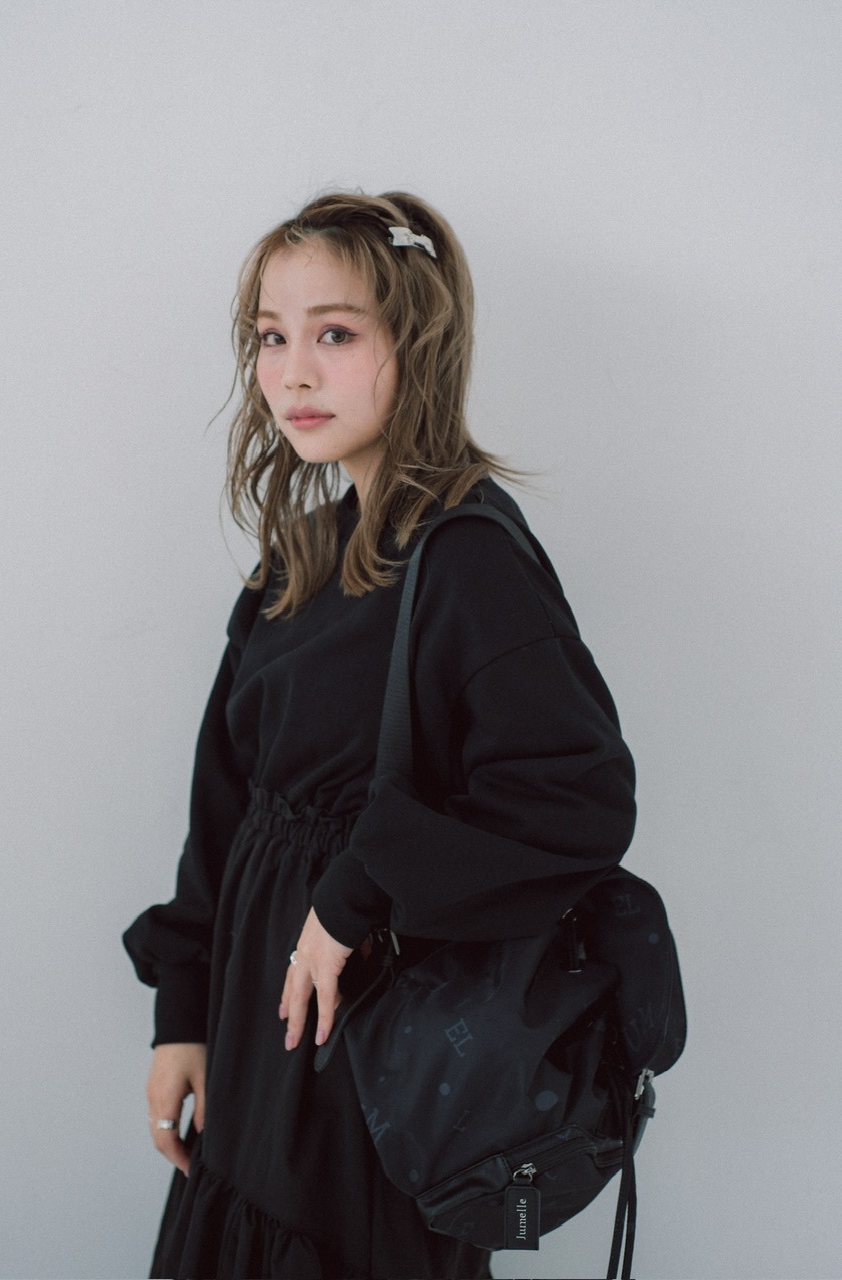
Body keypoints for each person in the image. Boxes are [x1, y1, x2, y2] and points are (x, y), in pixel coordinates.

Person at [123, 191, 636, 1280]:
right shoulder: (301, 555)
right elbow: (226, 803)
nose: (294, 373)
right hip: (261, 1026)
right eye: (272, 337)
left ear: (420, 344)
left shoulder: (468, 559)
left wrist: (356, 891)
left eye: (336, 334)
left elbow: (575, 797)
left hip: (369, 1049)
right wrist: (183, 1013)